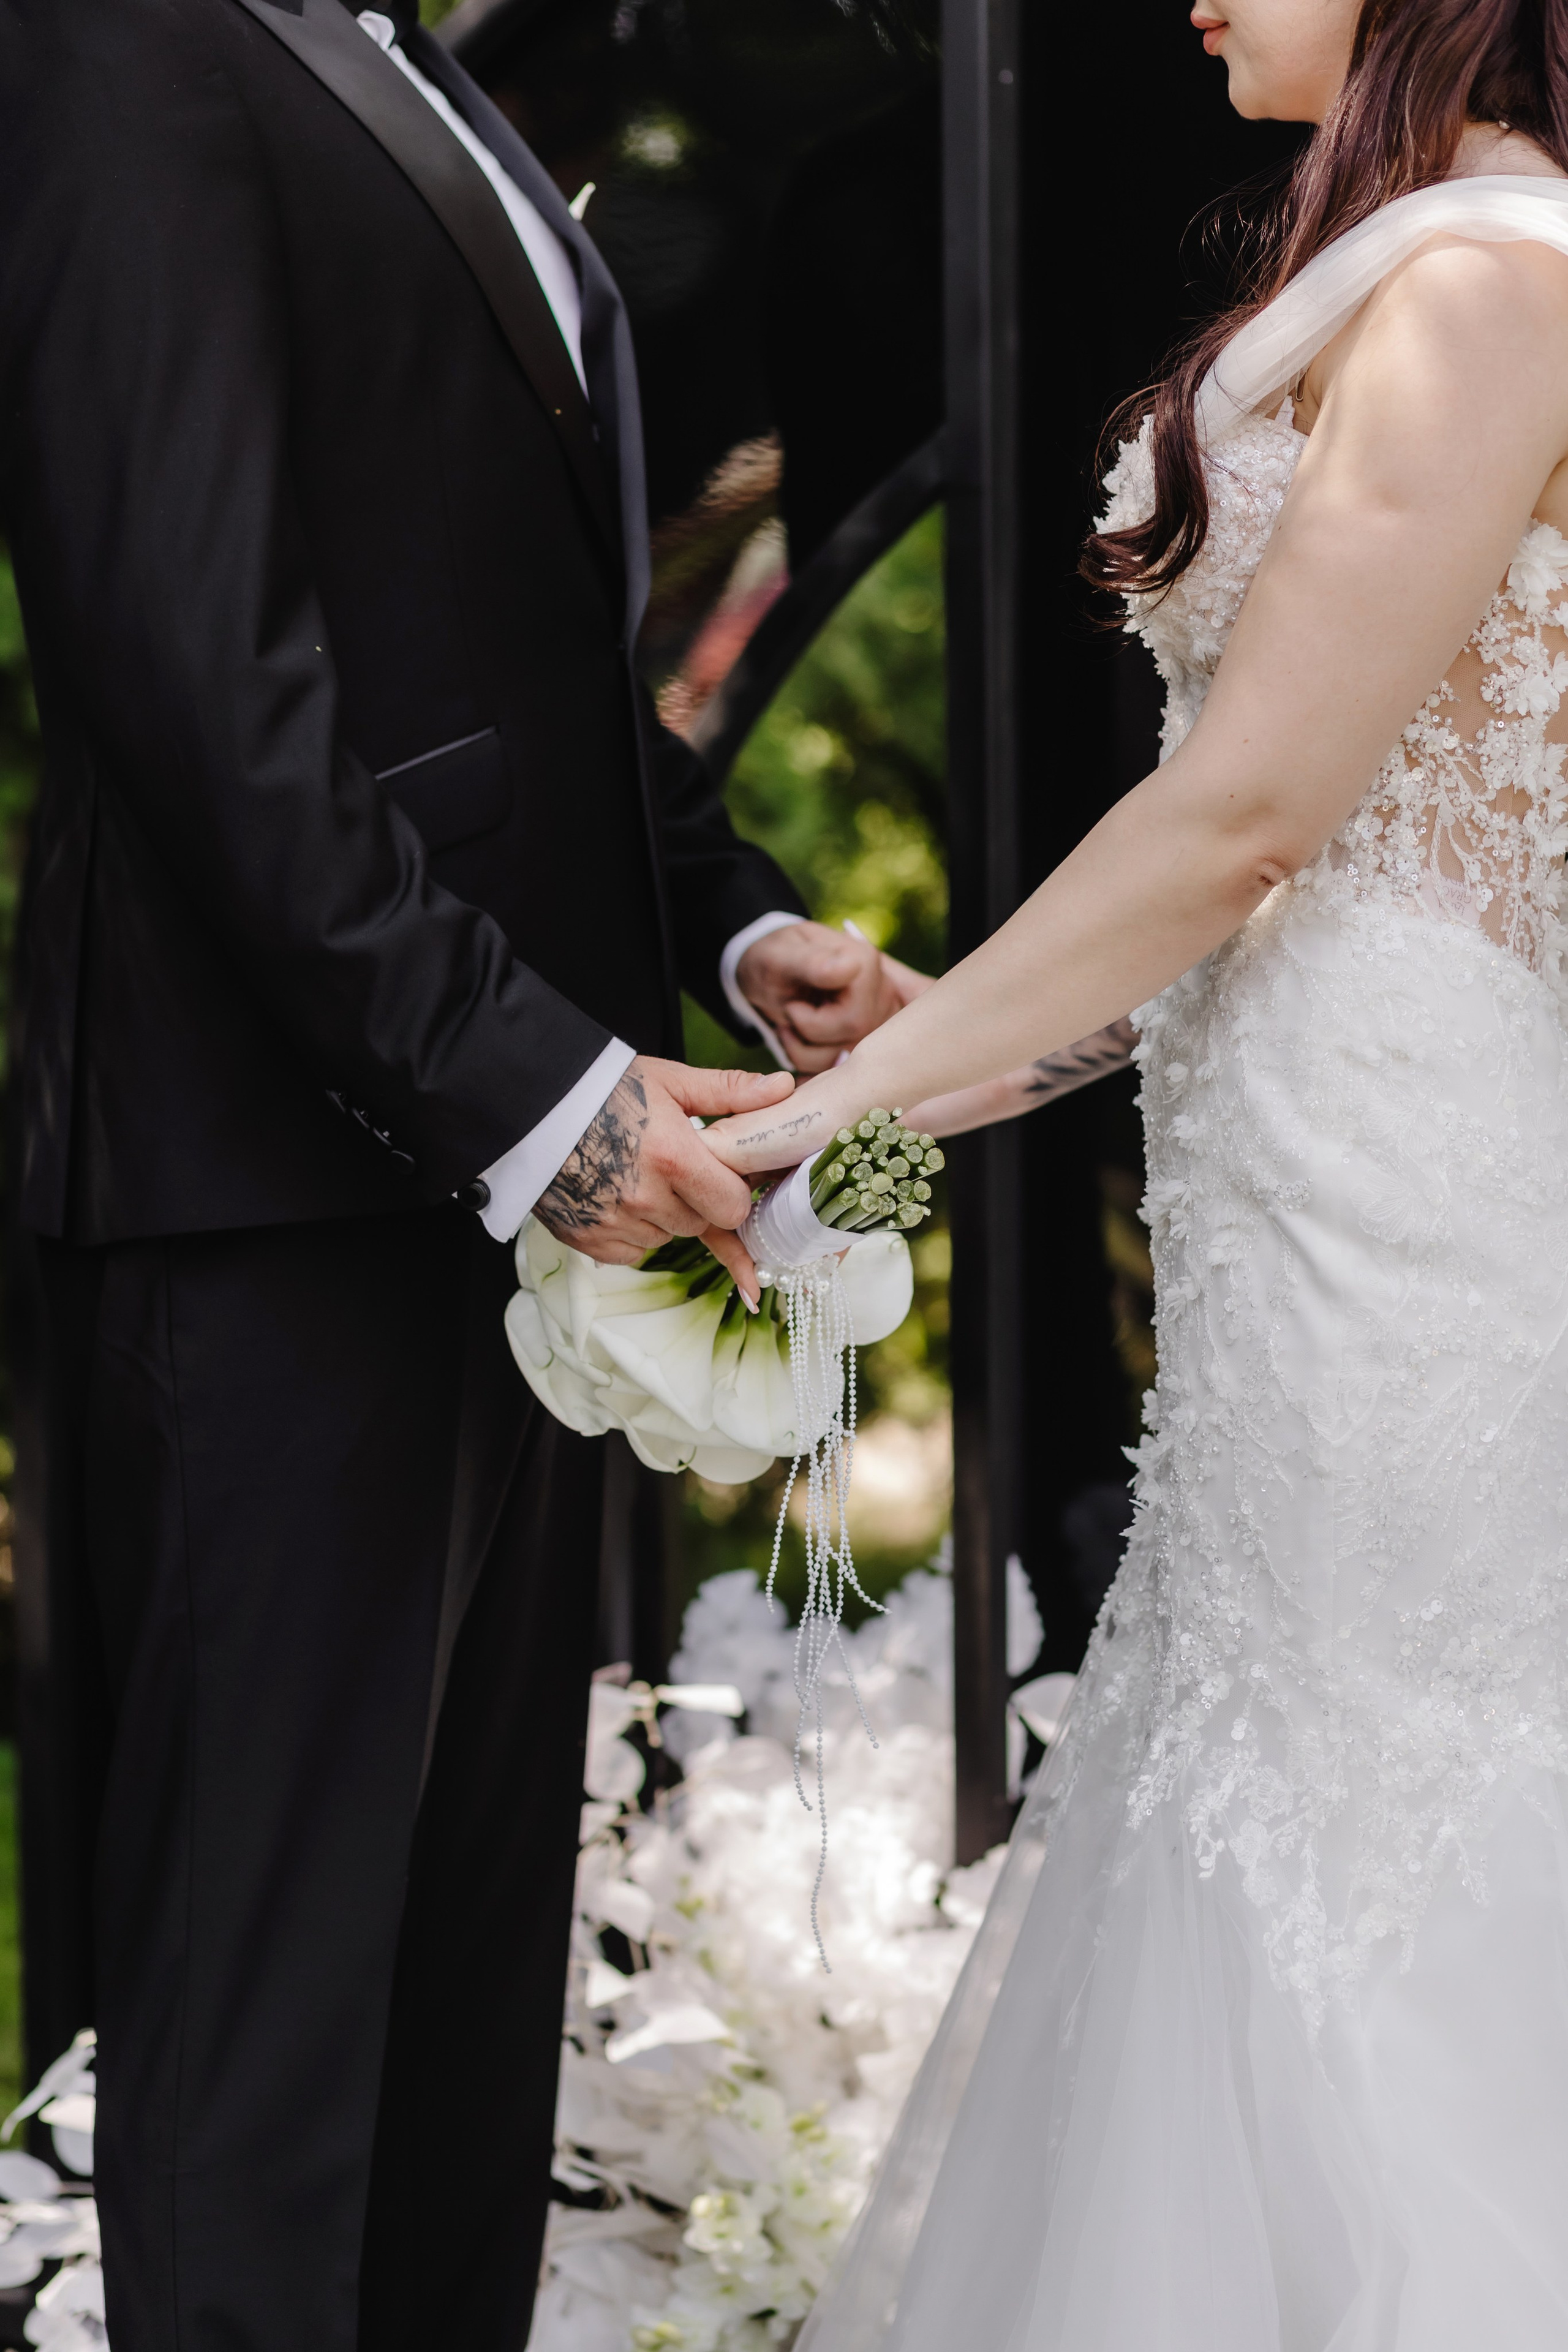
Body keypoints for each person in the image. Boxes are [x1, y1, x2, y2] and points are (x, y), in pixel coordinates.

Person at [0, 2, 910, 2344]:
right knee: (271, 2063)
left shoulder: (409, 66)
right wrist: (527, 1092)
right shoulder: (127, 44)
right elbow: (191, 658)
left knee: (460, 2047)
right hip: (289, 1192)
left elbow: (506, 655)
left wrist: (730, 922)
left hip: (497, 1188)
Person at [706, 0, 1568, 2340]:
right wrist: (941, 1050)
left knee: (1401, 1849)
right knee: (1259, 1805)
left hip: (1415, 1225)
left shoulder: (1494, 285)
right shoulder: (1416, 271)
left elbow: (1252, 820)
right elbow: (1261, 871)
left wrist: (812, 1131)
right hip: (1286, 1193)